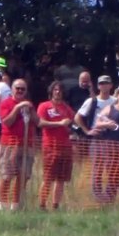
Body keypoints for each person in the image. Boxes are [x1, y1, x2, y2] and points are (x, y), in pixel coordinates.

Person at [0, 79, 38, 210]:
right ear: (12, 89)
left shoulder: (29, 104)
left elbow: (37, 121)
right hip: (10, 144)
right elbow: (7, 122)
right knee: (7, 175)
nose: (20, 91)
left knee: (23, 176)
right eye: (17, 88)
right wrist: (17, 108)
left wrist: (30, 110)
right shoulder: (6, 103)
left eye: (22, 89)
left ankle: (16, 206)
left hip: (27, 144)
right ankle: (2, 205)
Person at [75, 75, 115, 201]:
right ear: (98, 86)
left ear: (111, 85)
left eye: (106, 83)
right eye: (101, 83)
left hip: (112, 138)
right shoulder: (92, 101)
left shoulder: (115, 101)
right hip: (97, 138)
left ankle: (109, 196)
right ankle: (97, 196)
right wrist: (87, 131)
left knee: (112, 167)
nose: (104, 86)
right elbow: (77, 117)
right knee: (97, 168)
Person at [36, 81, 75, 210]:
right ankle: (42, 204)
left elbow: (73, 122)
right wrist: (59, 124)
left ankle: (55, 205)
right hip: (50, 146)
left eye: (60, 90)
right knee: (48, 177)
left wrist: (73, 131)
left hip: (66, 146)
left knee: (61, 178)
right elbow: (40, 123)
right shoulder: (44, 106)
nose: (58, 92)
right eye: (55, 90)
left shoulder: (66, 108)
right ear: (51, 91)